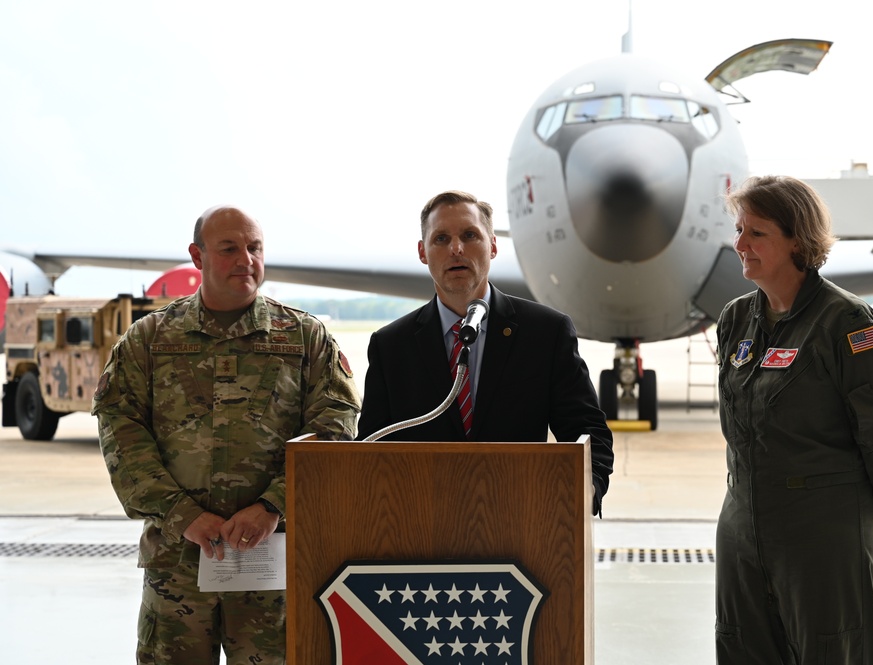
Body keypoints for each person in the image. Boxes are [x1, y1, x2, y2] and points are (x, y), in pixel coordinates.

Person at [92, 205, 361, 664]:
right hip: (177, 565)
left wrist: (274, 505)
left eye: (255, 247)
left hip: (270, 565)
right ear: (197, 256)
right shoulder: (150, 339)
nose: (246, 259)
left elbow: (335, 426)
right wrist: (180, 513)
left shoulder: (304, 338)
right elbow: (120, 427)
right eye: (229, 248)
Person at [713, 175, 873, 664]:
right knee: (741, 648)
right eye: (739, 230)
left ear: (797, 239)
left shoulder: (846, 323)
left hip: (823, 536)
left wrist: (860, 527)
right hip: (742, 529)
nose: (740, 244)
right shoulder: (736, 320)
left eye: (757, 233)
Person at [357, 190, 614, 515]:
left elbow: (587, 430)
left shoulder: (546, 333)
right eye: (440, 239)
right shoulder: (391, 345)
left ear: (493, 245)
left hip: (524, 522)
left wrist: (585, 492)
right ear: (423, 252)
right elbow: (369, 448)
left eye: (469, 235)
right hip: (423, 527)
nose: (456, 249)